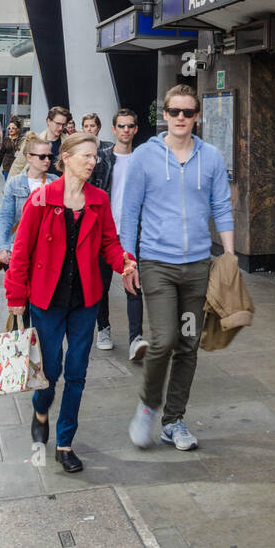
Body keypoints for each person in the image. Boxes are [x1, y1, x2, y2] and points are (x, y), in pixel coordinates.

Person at [4, 132, 138, 473]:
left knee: (77, 371)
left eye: (95, 156)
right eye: (86, 156)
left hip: (85, 299)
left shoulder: (98, 199)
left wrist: (123, 261)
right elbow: (20, 253)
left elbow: (109, 243)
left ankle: (65, 443)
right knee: (50, 371)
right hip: (46, 299)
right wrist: (16, 297)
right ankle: (40, 410)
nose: (93, 162)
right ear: (66, 158)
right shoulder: (41, 200)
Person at [121, 85, 234, 452]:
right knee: (164, 338)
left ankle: (174, 420)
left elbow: (222, 208)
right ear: (164, 115)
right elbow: (130, 211)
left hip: (198, 267)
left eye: (188, 112)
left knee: (188, 344)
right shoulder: (144, 157)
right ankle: (147, 406)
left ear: (197, 116)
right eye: (174, 112)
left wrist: (229, 256)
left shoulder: (211, 157)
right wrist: (128, 258)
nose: (181, 118)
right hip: (157, 264)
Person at [92, 108, 148, 361]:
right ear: (113, 130)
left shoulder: (142, 160)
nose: (126, 130)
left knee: (134, 285)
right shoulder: (101, 159)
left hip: (132, 234)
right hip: (104, 234)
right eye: (121, 126)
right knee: (100, 287)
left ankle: (136, 338)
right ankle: (103, 329)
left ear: (136, 129)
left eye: (130, 126)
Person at [0, 135, 53, 267]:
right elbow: (6, 217)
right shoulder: (15, 183)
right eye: (42, 156)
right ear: (29, 157)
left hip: (46, 249)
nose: (47, 160)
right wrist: (3, 247)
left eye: (49, 156)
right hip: (19, 245)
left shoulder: (55, 182)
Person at [10, 106, 68, 178]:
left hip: (59, 186)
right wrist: (8, 187)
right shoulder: (33, 140)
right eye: (58, 123)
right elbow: (18, 165)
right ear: (48, 121)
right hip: (35, 186)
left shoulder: (68, 143)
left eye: (63, 125)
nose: (61, 128)